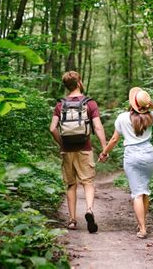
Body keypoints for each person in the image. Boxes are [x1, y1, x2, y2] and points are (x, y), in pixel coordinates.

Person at [99, 87, 153, 239]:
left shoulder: (122, 118)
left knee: (137, 192)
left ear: (132, 103)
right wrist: (152, 106)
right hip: (149, 155)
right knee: (144, 190)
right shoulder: (150, 116)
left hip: (132, 156)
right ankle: (142, 222)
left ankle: (142, 229)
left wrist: (104, 153)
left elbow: (114, 139)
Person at [49, 71, 107, 233]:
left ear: (66, 86)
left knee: (71, 185)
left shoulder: (60, 105)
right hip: (85, 148)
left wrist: (62, 143)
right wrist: (104, 148)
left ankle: (72, 220)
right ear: (79, 82)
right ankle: (88, 210)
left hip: (67, 151)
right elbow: (97, 127)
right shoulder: (89, 103)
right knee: (87, 182)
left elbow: (52, 128)